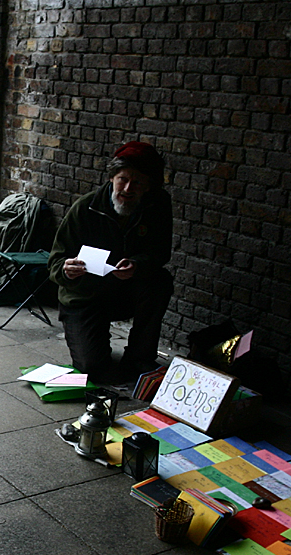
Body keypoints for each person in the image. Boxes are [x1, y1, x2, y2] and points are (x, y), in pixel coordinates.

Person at [47, 141, 174, 384]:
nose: (128, 188)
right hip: (84, 297)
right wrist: (66, 269)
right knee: (92, 369)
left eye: (137, 182)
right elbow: (55, 261)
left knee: (160, 282)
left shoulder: (157, 205)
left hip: (124, 291)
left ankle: (139, 357)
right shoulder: (86, 207)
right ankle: (95, 345)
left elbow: (159, 253)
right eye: (122, 179)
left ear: (148, 186)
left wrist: (137, 265)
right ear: (112, 178)